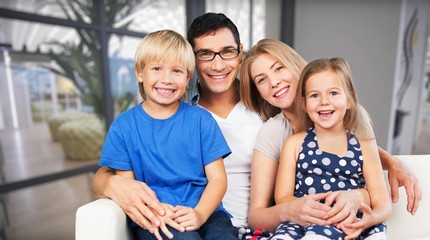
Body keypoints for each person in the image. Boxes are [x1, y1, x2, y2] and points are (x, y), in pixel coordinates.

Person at [91, 13, 421, 238]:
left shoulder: (267, 111)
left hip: (251, 229)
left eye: (226, 52)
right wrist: (109, 184)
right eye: (205, 54)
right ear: (191, 62)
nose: (217, 64)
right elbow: (117, 166)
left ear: (239, 55)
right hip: (193, 224)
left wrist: (389, 161)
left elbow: (332, 139)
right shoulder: (177, 117)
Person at [239, 38, 421, 233]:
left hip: (346, 223)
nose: (274, 82)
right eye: (261, 79)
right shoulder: (273, 133)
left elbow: (362, 155)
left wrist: (385, 168)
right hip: (302, 227)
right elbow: (256, 216)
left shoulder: (351, 114)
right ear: (258, 91)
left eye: (278, 68)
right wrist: (289, 210)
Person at [98, 29, 238, 240]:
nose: (167, 79)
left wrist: (199, 214)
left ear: (187, 77)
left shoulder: (201, 120)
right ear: (139, 73)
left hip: (207, 212)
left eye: (177, 71)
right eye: (156, 68)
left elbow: (218, 179)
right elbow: (129, 188)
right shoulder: (123, 127)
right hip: (158, 215)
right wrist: (158, 211)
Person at [270, 57, 391, 240]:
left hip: (349, 221)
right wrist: (317, 211)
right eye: (314, 95)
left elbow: (382, 202)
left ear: (350, 99)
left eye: (333, 93)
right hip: (306, 222)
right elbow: (282, 196)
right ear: (304, 104)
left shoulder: (364, 145)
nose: (324, 101)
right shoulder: (294, 144)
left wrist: (370, 219)